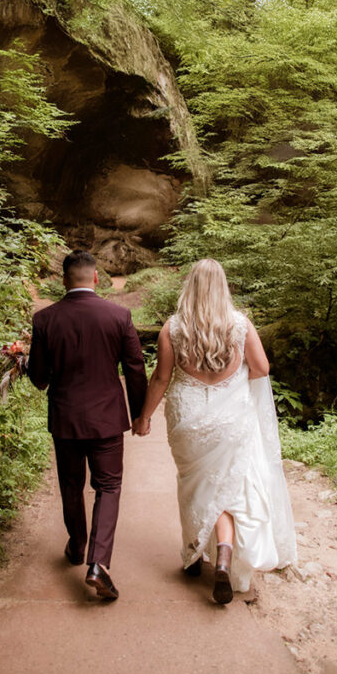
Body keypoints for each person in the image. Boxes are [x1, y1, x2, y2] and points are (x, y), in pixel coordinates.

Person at [132, 258, 297, 604]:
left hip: (187, 417)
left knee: (195, 486)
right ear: (223, 288)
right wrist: (234, 388)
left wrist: (144, 416)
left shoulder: (173, 328)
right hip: (231, 419)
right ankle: (223, 551)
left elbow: (161, 378)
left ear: (189, 287)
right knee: (227, 490)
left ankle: (193, 555)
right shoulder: (239, 326)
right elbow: (262, 367)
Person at [28, 250, 148, 601]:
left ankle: (77, 544)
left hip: (65, 417)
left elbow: (38, 378)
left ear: (64, 280)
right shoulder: (119, 315)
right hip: (107, 418)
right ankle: (98, 563)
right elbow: (135, 368)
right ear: (96, 278)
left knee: (70, 484)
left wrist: (27, 363)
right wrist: (140, 414)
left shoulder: (45, 319)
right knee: (108, 486)